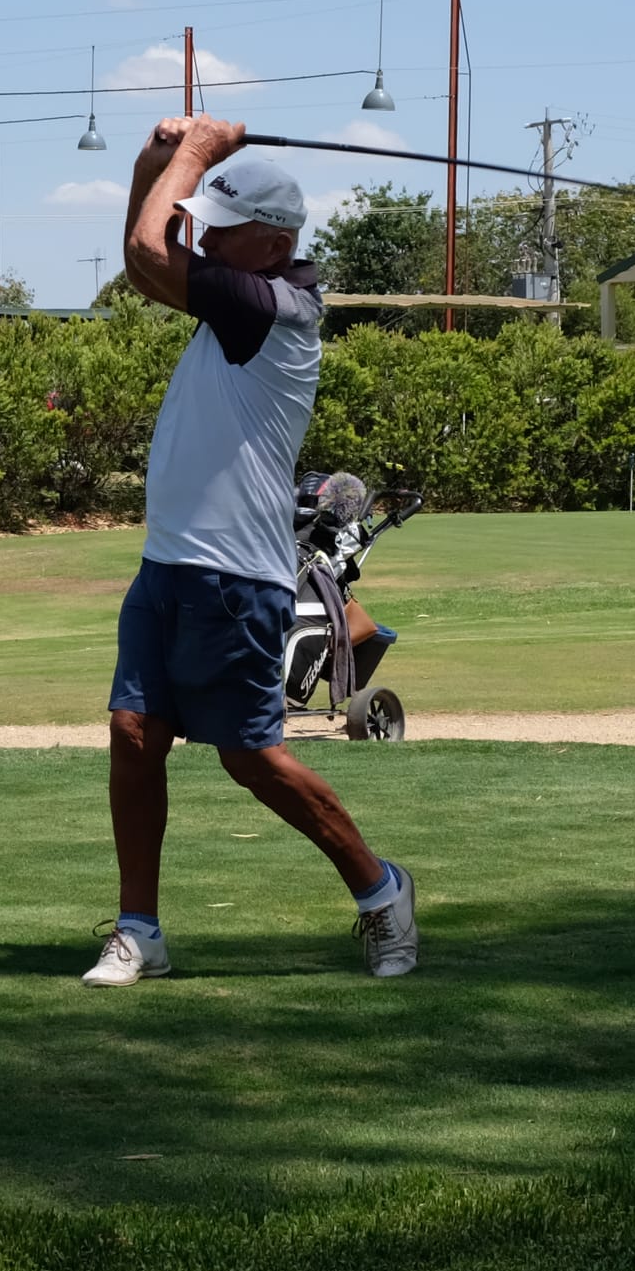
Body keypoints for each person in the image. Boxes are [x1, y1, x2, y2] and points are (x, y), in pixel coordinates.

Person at [84, 114, 415, 988]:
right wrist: (153, 160)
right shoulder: (240, 294)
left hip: (238, 578)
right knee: (132, 734)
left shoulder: (275, 309)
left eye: (222, 228)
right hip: (166, 566)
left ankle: (382, 891)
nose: (206, 239)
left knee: (253, 760)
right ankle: (139, 930)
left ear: (272, 243)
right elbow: (144, 257)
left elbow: (150, 253)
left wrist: (196, 153)